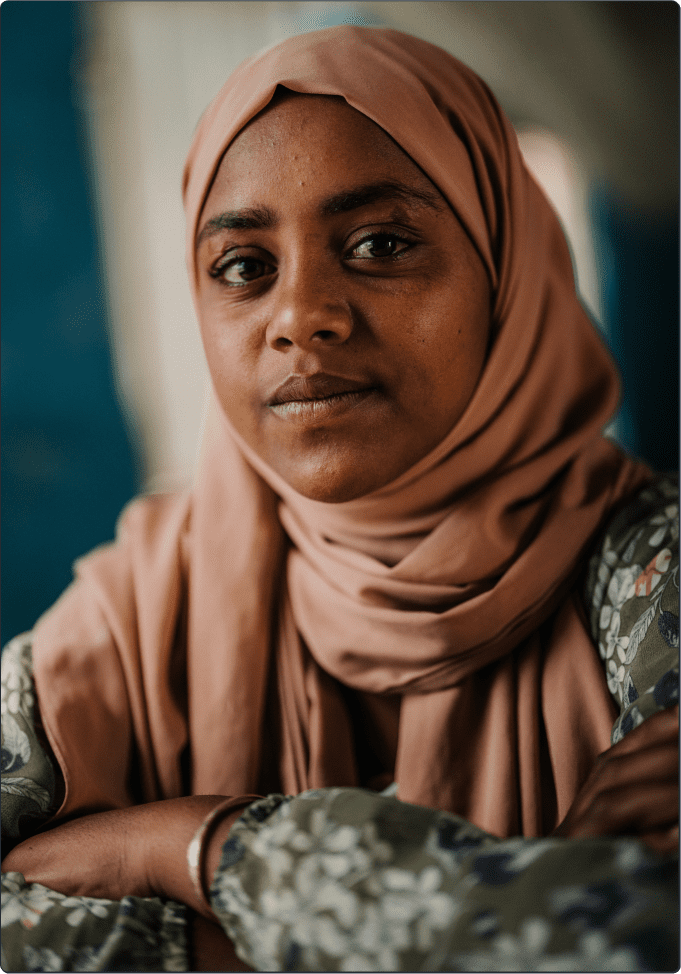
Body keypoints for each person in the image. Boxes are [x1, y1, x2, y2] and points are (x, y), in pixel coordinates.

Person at [1, 25, 677, 973]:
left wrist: (196, 850)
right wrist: (500, 893)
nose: (299, 314)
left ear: (505, 271)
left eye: (379, 243)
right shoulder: (132, 620)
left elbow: (640, 930)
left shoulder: (652, 572)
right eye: (243, 266)